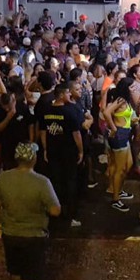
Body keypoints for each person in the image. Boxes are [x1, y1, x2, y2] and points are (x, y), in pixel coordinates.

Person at [0, 142, 61, 280]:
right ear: (33, 159)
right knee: (28, 276)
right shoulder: (42, 182)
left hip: (10, 234)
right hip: (33, 236)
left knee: (15, 271)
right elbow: (55, 210)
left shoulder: (4, 177)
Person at [40, 82, 85, 224]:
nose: (69, 95)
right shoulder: (69, 111)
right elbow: (76, 134)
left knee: (56, 181)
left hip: (53, 151)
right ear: (61, 95)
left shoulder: (46, 110)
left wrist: (46, 148)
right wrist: (81, 150)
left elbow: (43, 132)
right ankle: (70, 214)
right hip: (68, 152)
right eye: (67, 93)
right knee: (70, 181)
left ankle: (55, 212)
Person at [103, 78, 135, 212]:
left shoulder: (125, 100)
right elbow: (106, 112)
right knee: (119, 168)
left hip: (125, 134)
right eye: (132, 87)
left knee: (129, 164)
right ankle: (116, 199)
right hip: (119, 134)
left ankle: (119, 190)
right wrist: (113, 128)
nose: (134, 89)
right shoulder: (120, 100)